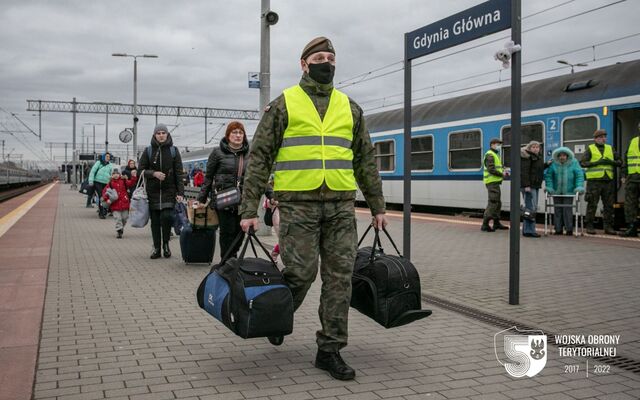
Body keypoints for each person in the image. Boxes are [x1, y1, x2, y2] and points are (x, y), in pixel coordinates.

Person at [238, 37, 387, 381]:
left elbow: (365, 159)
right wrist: (249, 209)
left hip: (339, 205)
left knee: (339, 279)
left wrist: (377, 206)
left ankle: (330, 349)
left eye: (331, 58)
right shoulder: (284, 104)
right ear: (304, 64)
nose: (327, 63)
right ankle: (277, 316)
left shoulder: (349, 107)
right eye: (319, 58)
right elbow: (260, 158)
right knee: (301, 274)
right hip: (297, 206)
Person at [197, 121, 249, 259]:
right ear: (228, 135)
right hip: (224, 201)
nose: (238, 135)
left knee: (240, 232)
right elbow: (208, 178)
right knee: (227, 233)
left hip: (242, 201)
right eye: (234, 132)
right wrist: (201, 199)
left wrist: (270, 194)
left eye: (240, 132)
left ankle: (232, 258)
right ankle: (227, 262)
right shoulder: (217, 153)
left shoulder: (249, 154)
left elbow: (257, 176)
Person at [138, 123, 185, 259]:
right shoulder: (148, 151)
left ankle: (166, 244)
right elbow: (140, 171)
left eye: (163, 133)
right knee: (155, 221)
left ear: (167, 134)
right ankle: (157, 248)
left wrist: (180, 193)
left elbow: (179, 173)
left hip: (169, 190)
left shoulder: (174, 151)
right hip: (152, 192)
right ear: (154, 135)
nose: (161, 135)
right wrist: (153, 173)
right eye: (158, 133)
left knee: (166, 217)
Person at [579, 129, 621, 235]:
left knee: (609, 205)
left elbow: (620, 161)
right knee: (592, 204)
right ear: (596, 139)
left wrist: (611, 162)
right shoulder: (590, 149)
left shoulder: (610, 148)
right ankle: (589, 226)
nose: (603, 139)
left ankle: (608, 227)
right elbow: (583, 163)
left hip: (608, 181)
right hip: (594, 182)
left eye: (604, 137)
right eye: (601, 137)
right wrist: (596, 163)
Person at [544, 147, 585, 235]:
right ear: (558, 156)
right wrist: (549, 187)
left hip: (569, 191)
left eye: (564, 155)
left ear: (567, 155)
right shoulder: (553, 163)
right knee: (557, 210)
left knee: (567, 210)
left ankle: (569, 229)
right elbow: (549, 176)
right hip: (556, 191)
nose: (562, 157)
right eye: (560, 156)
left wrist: (579, 187)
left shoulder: (574, 163)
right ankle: (558, 229)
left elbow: (579, 176)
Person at [481, 138, 510, 232]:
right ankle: (485, 224)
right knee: (493, 202)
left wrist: (504, 169)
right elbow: (491, 169)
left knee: (497, 203)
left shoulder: (495, 154)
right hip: (491, 182)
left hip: (495, 182)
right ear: (492, 144)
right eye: (498, 144)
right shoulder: (490, 155)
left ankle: (496, 223)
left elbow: (497, 167)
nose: (499, 146)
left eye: (500, 145)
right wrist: (502, 174)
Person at [101, 167, 137, 238]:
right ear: (111, 175)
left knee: (124, 218)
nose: (116, 175)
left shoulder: (124, 181)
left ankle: (121, 228)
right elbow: (105, 192)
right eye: (114, 174)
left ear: (120, 174)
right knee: (118, 218)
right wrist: (106, 198)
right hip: (115, 205)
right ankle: (119, 231)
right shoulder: (110, 183)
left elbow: (131, 183)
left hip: (125, 203)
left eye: (117, 173)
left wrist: (133, 176)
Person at [520, 141, 546, 238]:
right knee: (531, 208)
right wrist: (526, 185)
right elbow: (524, 172)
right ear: (529, 148)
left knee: (530, 208)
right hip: (529, 186)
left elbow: (537, 169)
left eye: (537, 147)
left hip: (534, 185)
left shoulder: (537, 157)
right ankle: (529, 230)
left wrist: (547, 164)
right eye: (533, 147)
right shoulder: (527, 157)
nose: (536, 149)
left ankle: (527, 230)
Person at [620, 122, 640, 237]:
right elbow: (627, 159)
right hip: (632, 178)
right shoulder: (633, 141)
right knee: (630, 204)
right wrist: (623, 174)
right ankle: (631, 227)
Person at [88, 153, 113, 219]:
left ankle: (104, 210)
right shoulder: (98, 163)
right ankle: (101, 213)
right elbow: (92, 171)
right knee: (101, 196)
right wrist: (91, 180)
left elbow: (112, 174)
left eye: (109, 157)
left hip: (106, 183)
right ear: (103, 157)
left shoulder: (110, 165)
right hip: (98, 182)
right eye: (107, 156)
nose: (108, 158)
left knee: (106, 197)